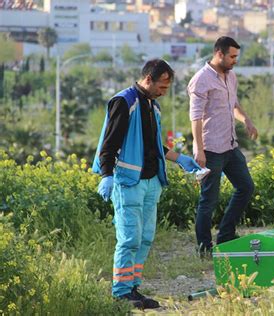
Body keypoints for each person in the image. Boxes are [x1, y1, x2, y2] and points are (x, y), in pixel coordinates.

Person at [92, 59, 201, 309]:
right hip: (129, 181)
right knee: (129, 238)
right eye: (162, 86)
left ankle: (133, 288)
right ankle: (120, 291)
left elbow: (153, 145)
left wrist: (178, 158)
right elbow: (109, 144)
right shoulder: (124, 102)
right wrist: (107, 175)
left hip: (152, 181)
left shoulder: (153, 106)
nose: (164, 92)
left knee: (145, 238)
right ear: (149, 79)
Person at [188, 36, 258, 255]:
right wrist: (199, 149)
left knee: (246, 187)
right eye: (232, 56)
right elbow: (195, 117)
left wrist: (245, 119)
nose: (235, 60)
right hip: (210, 148)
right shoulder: (201, 79)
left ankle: (226, 235)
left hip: (230, 145)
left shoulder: (230, 76)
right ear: (219, 53)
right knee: (209, 200)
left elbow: (233, 104)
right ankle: (204, 247)